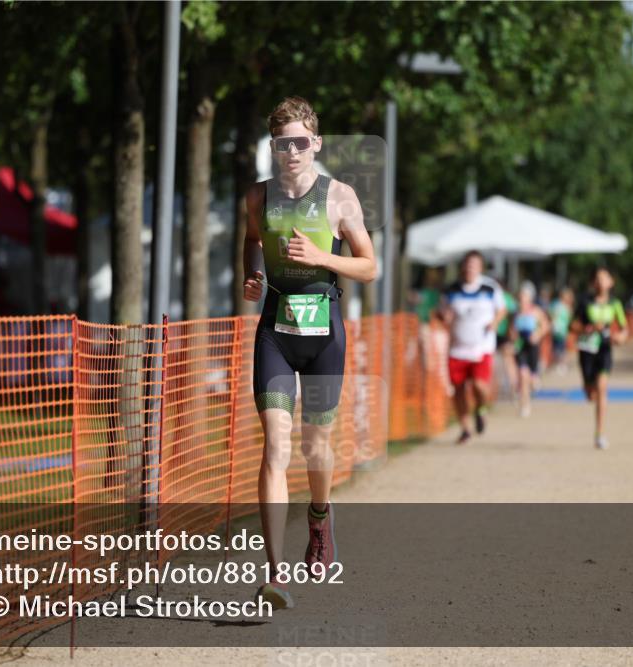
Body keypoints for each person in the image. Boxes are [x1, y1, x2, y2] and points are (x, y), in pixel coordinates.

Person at [242, 97, 376, 609]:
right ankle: (275, 574)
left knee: (314, 448)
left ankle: (320, 516)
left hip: (324, 335)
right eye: (283, 144)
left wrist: (323, 257)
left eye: (301, 142)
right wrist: (252, 275)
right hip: (275, 331)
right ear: (273, 147)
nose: (292, 151)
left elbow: (369, 266)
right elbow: (252, 241)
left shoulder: (340, 198)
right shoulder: (257, 197)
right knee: (275, 447)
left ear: (316, 143)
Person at [437, 251, 507, 444]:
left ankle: (481, 408)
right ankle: (465, 428)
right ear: (463, 267)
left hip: (481, 346)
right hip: (457, 348)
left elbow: (502, 310)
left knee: (479, 385)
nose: (470, 268)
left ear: (480, 268)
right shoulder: (451, 289)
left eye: (474, 265)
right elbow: (442, 311)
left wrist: (494, 323)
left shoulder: (490, 288)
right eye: (467, 264)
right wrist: (445, 316)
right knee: (458, 389)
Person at [571, 267, 628, 450]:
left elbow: (624, 328)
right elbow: (573, 326)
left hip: (604, 349)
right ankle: (588, 386)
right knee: (591, 393)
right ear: (593, 283)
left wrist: (620, 337)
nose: (601, 281)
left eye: (604, 278)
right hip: (587, 350)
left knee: (602, 388)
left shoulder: (615, 303)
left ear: (611, 282)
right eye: (597, 278)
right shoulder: (585, 301)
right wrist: (586, 328)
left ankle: (600, 433)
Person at [512, 281, 550, 418]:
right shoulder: (515, 313)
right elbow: (512, 331)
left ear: (530, 297)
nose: (522, 298)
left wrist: (537, 334)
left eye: (525, 295)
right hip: (520, 347)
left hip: (533, 347)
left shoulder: (536, 311)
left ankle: (535, 378)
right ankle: (525, 405)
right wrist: (513, 337)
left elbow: (546, 326)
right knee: (523, 375)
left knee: (531, 378)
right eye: (520, 295)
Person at [549, 287, 574, 374]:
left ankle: (562, 364)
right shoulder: (557, 305)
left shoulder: (567, 307)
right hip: (557, 330)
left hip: (563, 331)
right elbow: (552, 316)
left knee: (563, 348)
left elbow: (570, 319)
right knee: (557, 348)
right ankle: (558, 363)